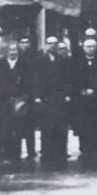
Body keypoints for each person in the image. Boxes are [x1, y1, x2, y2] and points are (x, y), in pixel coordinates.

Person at [32, 36, 73, 167]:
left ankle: (61, 152)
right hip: (46, 98)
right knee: (47, 126)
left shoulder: (64, 61)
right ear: (45, 45)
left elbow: (68, 79)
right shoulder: (39, 61)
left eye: (55, 44)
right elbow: (36, 79)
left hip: (60, 98)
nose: (52, 46)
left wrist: (67, 94)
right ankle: (47, 153)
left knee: (61, 126)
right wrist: (37, 96)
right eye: (50, 44)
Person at [71, 38, 97, 168]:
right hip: (82, 102)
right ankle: (85, 150)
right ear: (83, 48)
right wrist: (81, 90)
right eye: (87, 47)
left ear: (96, 48)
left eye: (92, 47)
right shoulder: (77, 63)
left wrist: (95, 90)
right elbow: (74, 80)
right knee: (83, 126)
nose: (90, 49)